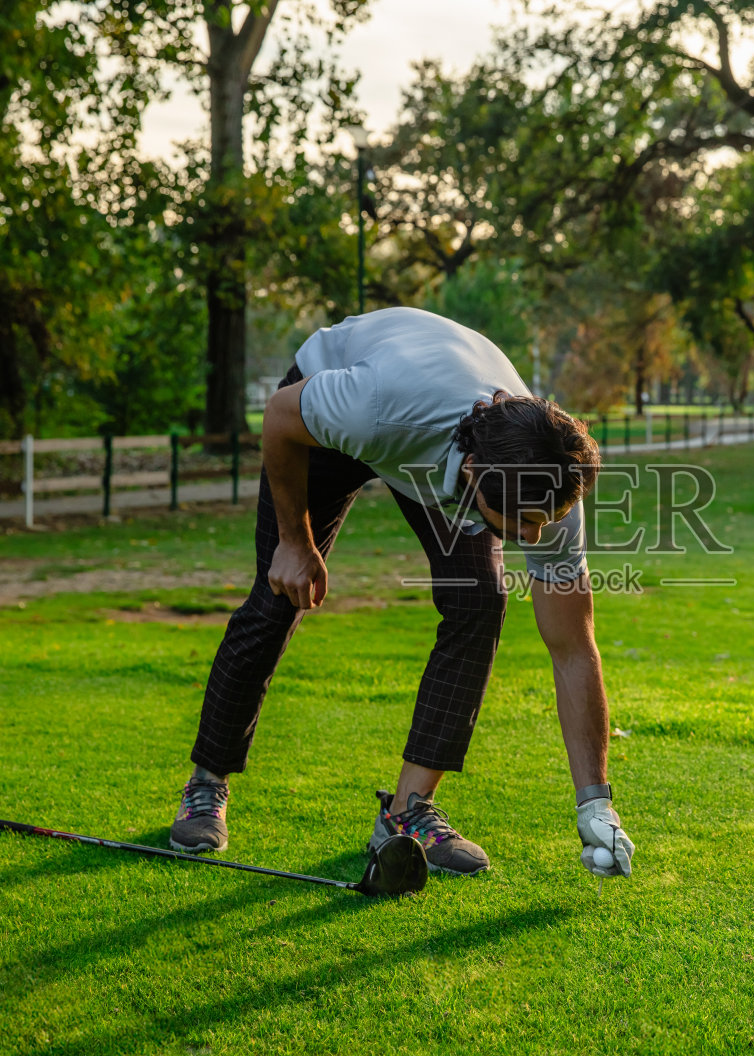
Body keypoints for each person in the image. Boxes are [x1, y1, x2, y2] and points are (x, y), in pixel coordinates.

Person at [169, 307, 634, 880]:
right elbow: (278, 416)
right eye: (517, 522)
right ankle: (206, 784)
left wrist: (596, 802)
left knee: (480, 600)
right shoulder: (374, 409)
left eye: (543, 521)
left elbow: (572, 646)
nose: (533, 538)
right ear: (469, 479)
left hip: (434, 421)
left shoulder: (549, 481)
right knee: (279, 595)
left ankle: (408, 811)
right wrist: (295, 540)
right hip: (326, 406)